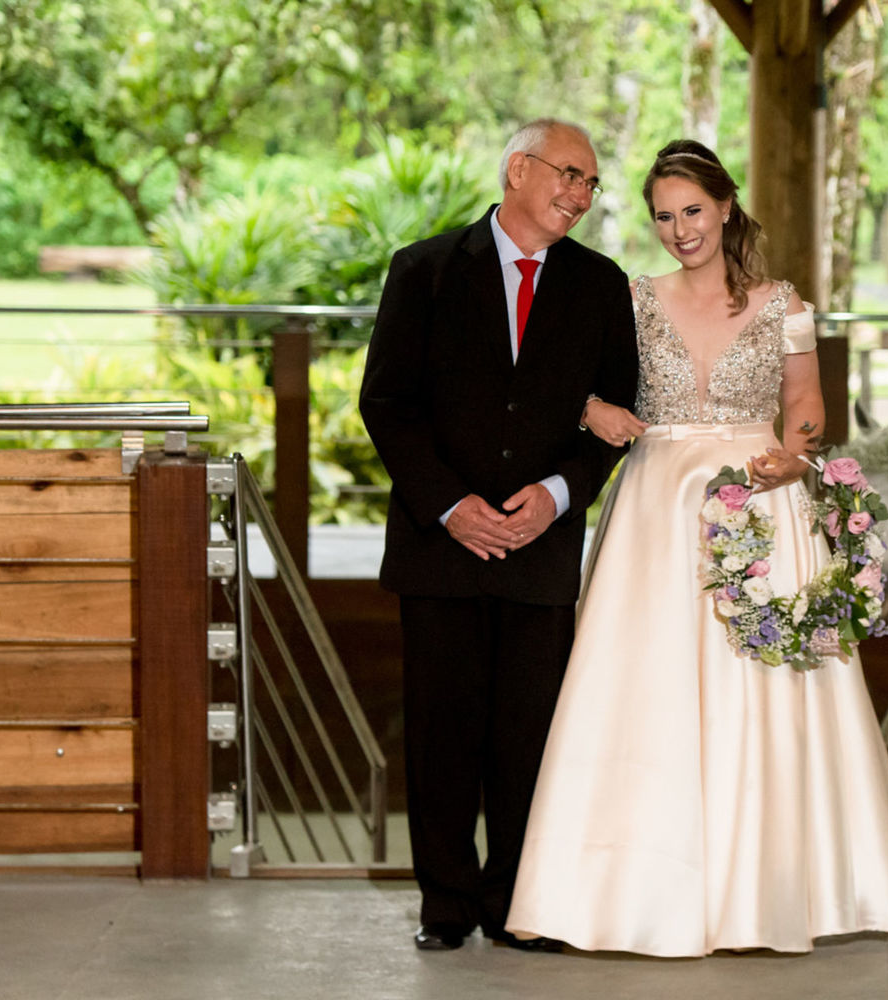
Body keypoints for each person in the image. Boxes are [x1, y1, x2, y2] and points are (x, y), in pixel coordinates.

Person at [504, 140, 888, 957]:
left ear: (726, 207)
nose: (680, 230)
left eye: (693, 211)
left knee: (761, 691)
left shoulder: (783, 305)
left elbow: (806, 407)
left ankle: (770, 890)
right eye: (663, 217)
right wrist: (592, 408)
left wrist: (794, 457)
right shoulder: (631, 298)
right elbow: (568, 379)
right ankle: (624, 894)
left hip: (760, 503)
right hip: (655, 511)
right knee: (643, 691)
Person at [358, 119, 639, 953]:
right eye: (568, 174)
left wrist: (559, 496)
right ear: (518, 169)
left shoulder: (601, 284)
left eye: (590, 183)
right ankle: (444, 907)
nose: (581, 195)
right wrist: (450, 506)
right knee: (441, 738)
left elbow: (617, 414)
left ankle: (519, 904)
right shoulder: (424, 269)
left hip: (541, 549)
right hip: (438, 547)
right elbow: (387, 403)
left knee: (529, 741)